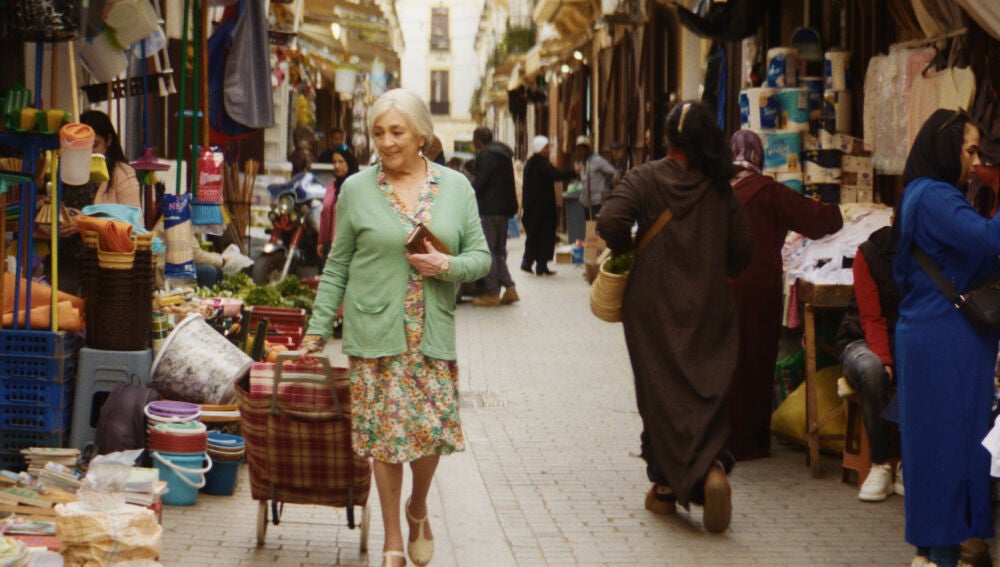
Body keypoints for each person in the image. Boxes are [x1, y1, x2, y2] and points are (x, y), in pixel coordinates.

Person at [299, 88, 491, 567]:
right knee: (383, 439)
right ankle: (391, 541)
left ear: (421, 134)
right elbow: (337, 265)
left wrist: (444, 265)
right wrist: (316, 331)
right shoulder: (357, 190)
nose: (385, 142)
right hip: (373, 332)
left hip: (430, 332)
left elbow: (481, 259)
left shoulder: (456, 187)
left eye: (397, 132)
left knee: (427, 436)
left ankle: (419, 507)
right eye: (378, 132)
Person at [597, 101, 754, 533]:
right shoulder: (720, 188)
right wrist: (720, 271)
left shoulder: (644, 178)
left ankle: (666, 486)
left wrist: (631, 252)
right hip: (709, 304)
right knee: (707, 387)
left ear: (666, 137)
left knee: (659, 390)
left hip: (651, 306)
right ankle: (712, 468)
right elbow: (744, 248)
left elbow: (610, 220)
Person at [893, 109, 999, 567]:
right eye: (969, 149)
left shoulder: (920, 194)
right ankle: (939, 556)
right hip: (946, 343)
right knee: (950, 450)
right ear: (945, 146)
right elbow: (991, 241)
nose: (975, 162)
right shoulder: (936, 197)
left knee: (935, 450)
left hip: (933, 337)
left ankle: (933, 553)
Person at [726, 130, 843, 461]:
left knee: (724, 359)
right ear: (758, 158)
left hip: (718, 286)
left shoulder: (714, 191)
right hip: (758, 288)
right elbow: (817, 220)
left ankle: (719, 436)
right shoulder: (769, 191)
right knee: (756, 358)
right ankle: (748, 442)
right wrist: (839, 212)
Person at [835, 224, 900, 501]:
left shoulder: (930, 253)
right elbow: (870, 317)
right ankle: (880, 463)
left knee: (921, 370)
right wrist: (885, 358)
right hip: (861, 339)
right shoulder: (869, 253)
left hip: (905, 340)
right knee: (873, 371)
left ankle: (911, 463)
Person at [43, 110, 142, 294]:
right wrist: (56, 224)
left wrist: (86, 223)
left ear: (109, 141)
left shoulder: (121, 173)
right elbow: (46, 210)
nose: (87, 153)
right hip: (63, 264)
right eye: (81, 147)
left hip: (102, 266)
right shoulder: (63, 172)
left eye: (94, 145)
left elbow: (134, 225)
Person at [470, 126, 519, 306]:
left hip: (489, 209)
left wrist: (470, 191)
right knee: (498, 250)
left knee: (489, 250)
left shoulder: (485, 155)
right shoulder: (503, 155)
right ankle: (510, 288)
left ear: (478, 140)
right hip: (504, 210)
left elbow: (481, 183)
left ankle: (492, 293)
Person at [520, 135, 574, 276]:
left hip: (533, 207)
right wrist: (574, 172)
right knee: (543, 235)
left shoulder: (531, 164)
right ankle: (534, 263)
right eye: (546, 147)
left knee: (535, 235)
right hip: (542, 208)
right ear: (539, 149)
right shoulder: (541, 164)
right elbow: (556, 175)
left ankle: (537, 265)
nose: (548, 150)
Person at [317, 146, 360, 259]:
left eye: (341, 161)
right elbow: (324, 213)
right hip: (329, 246)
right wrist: (321, 241)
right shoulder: (332, 185)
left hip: (347, 248)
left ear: (349, 162)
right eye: (334, 162)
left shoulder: (356, 186)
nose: (337, 166)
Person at [575, 135, 617, 219]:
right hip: (585, 201)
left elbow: (613, 172)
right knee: (587, 227)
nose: (582, 152)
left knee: (595, 226)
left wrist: (611, 184)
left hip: (597, 201)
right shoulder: (580, 163)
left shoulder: (597, 160)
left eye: (584, 148)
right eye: (579, 149)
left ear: (588, 149)